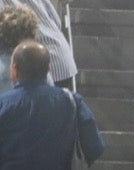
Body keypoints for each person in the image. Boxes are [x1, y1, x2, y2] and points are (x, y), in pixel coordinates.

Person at [0, 40, 103, 169]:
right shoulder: (72, 102)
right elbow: (95, 148)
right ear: (48, 69)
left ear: (15, 70)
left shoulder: (3, 105)